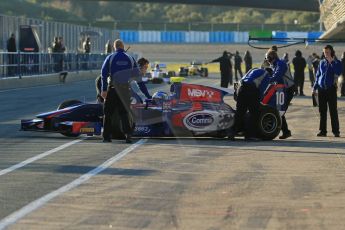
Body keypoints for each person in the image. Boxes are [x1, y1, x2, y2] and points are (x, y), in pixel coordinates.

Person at [100, 39, 151, 143]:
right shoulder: (130, 59)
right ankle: (128, 136)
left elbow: (103, 75)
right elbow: (139, 81)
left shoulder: (110, 57)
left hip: (113, 90)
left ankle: (106, 137)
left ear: (115, 47)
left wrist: (104, 90)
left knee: (108, 113)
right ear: (123, 47)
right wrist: (147, 95)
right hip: (125, 90)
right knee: (124, 113)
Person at [230, 68, 271, 140]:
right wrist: (259, 101)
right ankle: (250, 135)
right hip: (251, 89)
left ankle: (232, 133)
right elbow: (261, 89)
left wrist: (237, 94)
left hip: (241, 88)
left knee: (240, 112)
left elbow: (240, 81)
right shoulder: (267, 75)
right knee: (254, 113)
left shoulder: (252, 70)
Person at [312, 45, 342, 137]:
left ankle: (336, 131)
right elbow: (318, 76)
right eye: (324, 52)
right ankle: (323, 131)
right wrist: (314, 88)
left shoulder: (337, 62)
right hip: (321, 89)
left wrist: (332, 62)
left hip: (331, 89)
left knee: (333, 111)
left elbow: (338, 72)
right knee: (322, 111)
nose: (326, 54)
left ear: (332, 52)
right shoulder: (321, 62)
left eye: (328, 52)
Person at [266, 49, 295, 139]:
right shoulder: (275, 65)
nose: (267, 60)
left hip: (288, 89)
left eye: (268, 58)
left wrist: (266, 80)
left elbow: (277, 76)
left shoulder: (280, 64)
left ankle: (286, 131)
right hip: (281, 89)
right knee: (278, 109)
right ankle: (286, 131)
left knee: (280, 110)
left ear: (272, 58)